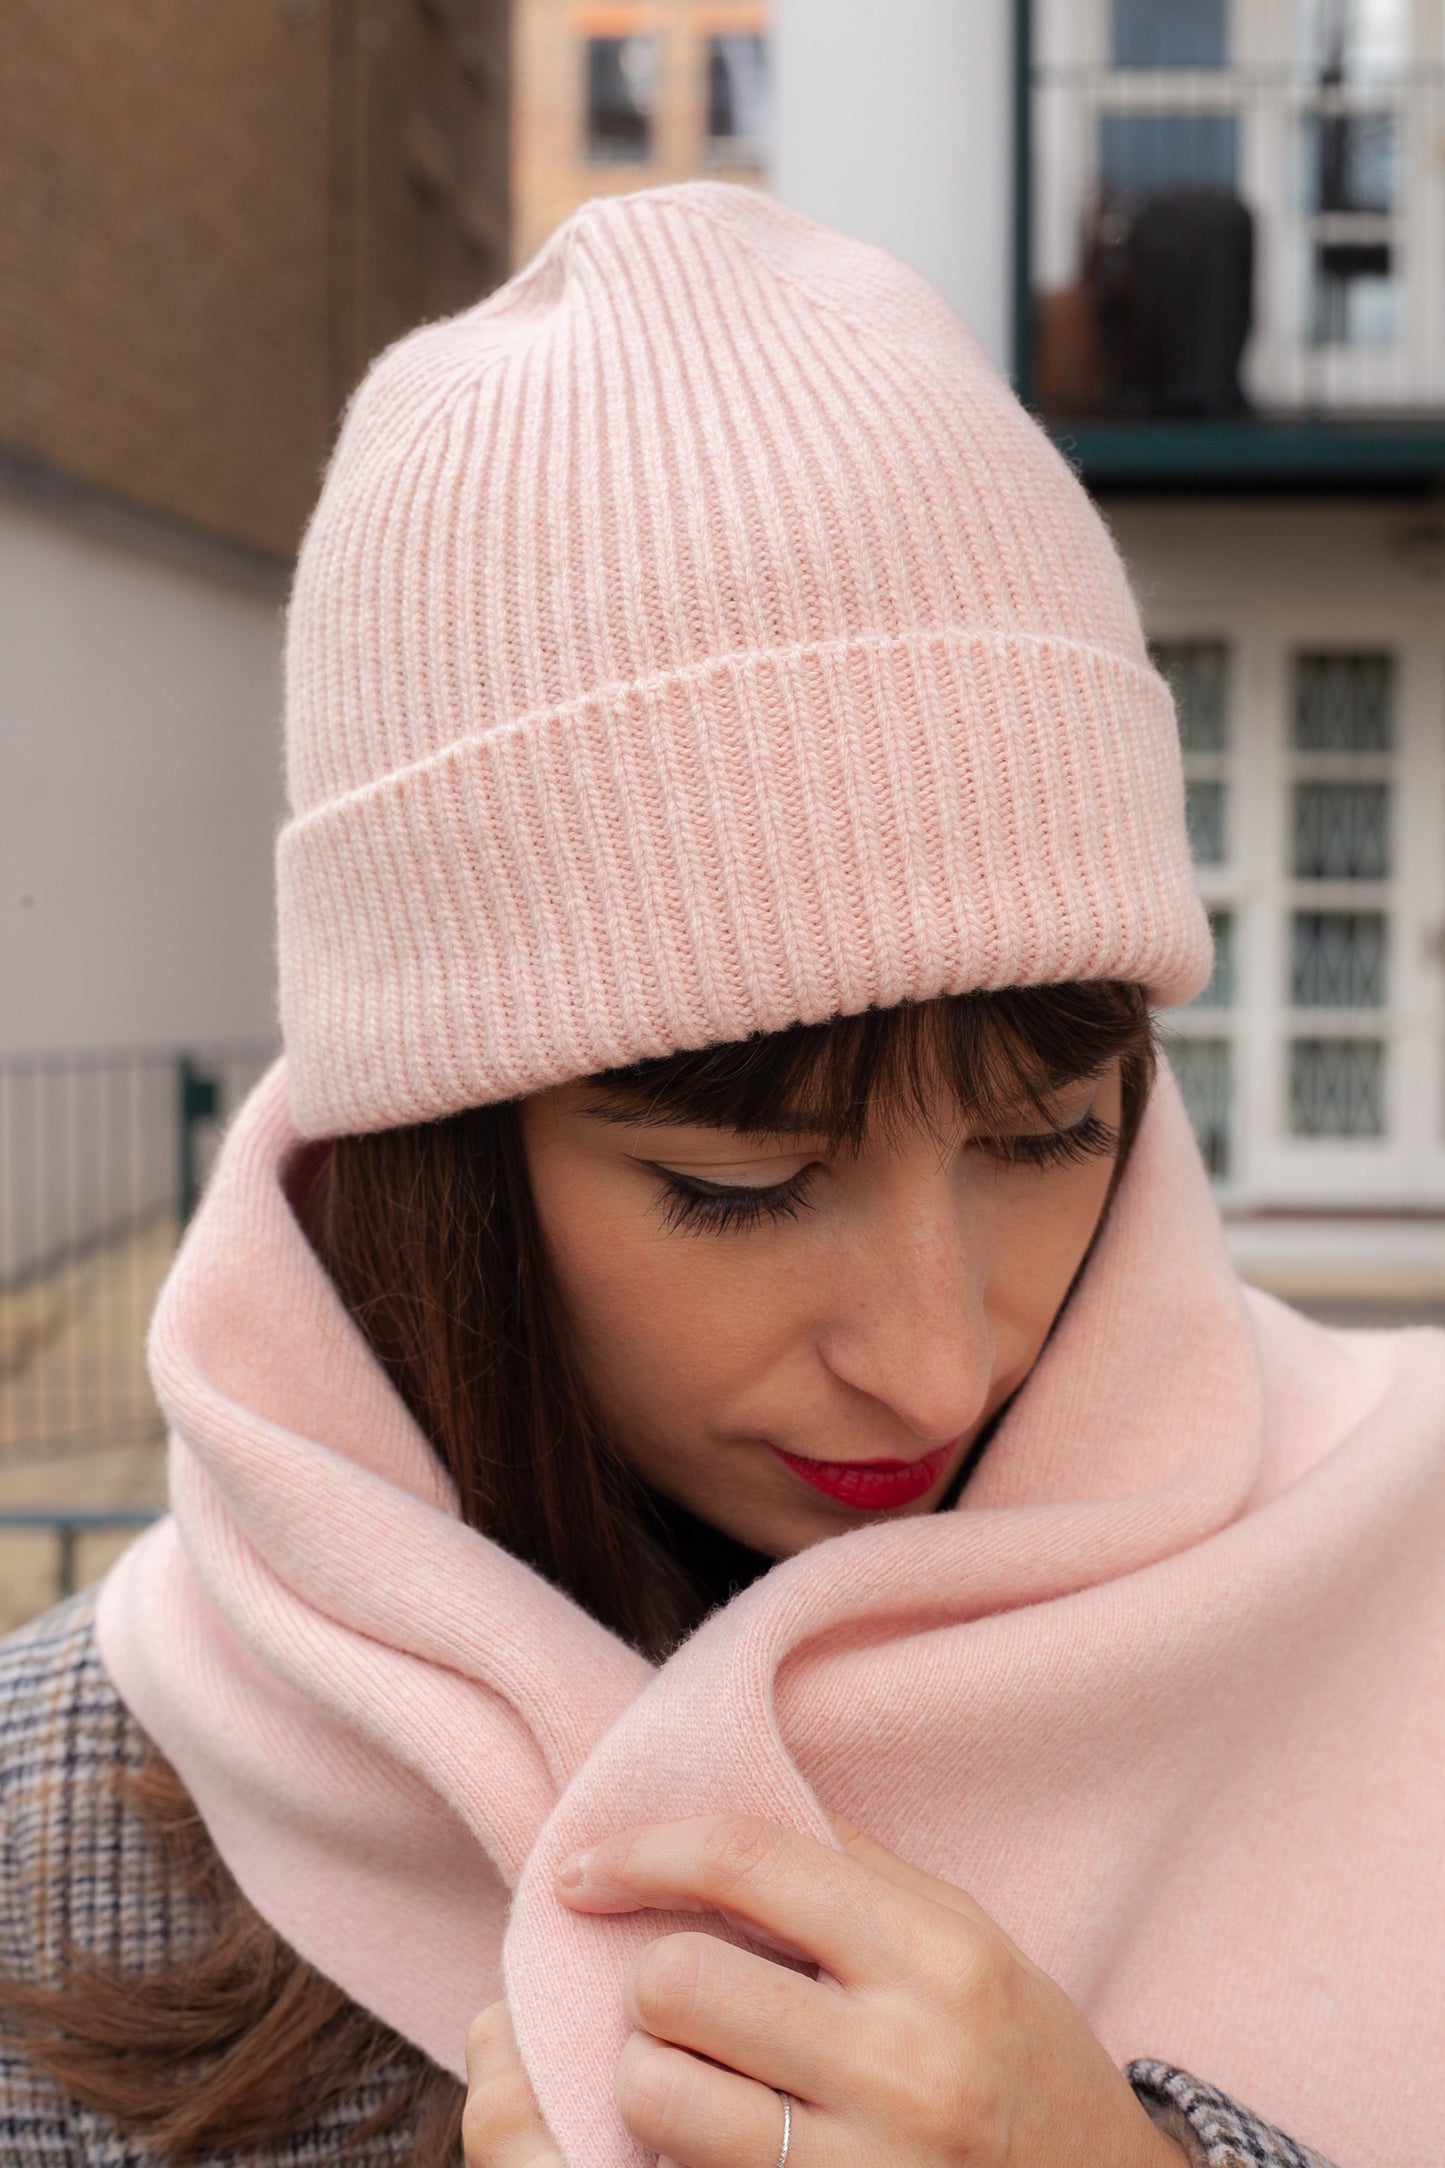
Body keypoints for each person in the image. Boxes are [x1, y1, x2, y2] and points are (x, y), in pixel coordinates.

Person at [1, 182, 1441, 2168]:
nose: (935, 1366)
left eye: (1048, 1137)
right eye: (742, 1187)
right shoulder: (56, 1815)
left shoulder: (1411, 1572)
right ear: (455, 1157)